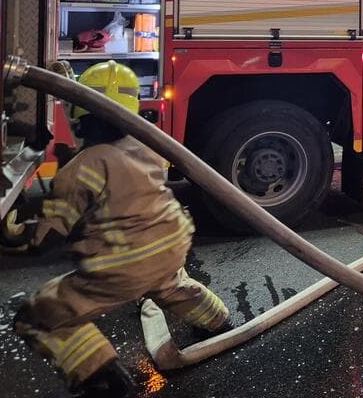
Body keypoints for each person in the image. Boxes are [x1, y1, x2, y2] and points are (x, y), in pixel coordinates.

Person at [14, 61, 230, 398]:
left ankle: (101, 377)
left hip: (124, 265)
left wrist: (23, 237)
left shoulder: (81, 169)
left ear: (78, 112)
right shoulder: (148, 148)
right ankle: (220, 322)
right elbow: (120, 176)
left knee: (43, 312)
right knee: (172, 285)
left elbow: (50, 234)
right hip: (170, 245)